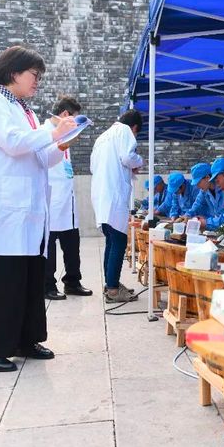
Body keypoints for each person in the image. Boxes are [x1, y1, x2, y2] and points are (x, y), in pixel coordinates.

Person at [0, 46, 76, 372]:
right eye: (35, 75)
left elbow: (41, 157)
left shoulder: (26, 110)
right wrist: (51, 131)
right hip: (6, 209)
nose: (37, 82)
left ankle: (25, 339)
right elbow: (14, 142)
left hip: (31, 210)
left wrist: (61, 144)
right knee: (2, 281)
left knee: (29, 279)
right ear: (14, 72)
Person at [90, 109, 144, 303]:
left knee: (111, 241)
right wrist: (140, 161)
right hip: (113, 195)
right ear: (135, 127)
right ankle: (113, 289)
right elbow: (128, 157)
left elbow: (93, 166)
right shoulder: (124, 132)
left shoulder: (102, 137)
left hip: (101, 194)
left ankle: (110, 284)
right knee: (119, 241)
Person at [42, 96, 92, 301]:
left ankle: (72, 281)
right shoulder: (44, 132)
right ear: (65, 115)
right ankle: (47, 285)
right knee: (49, 247)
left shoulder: (66, 135)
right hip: (51, 201)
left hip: (67, 201)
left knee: (72, 244)